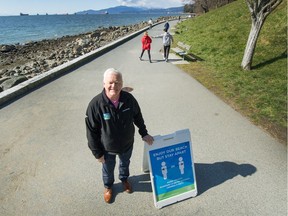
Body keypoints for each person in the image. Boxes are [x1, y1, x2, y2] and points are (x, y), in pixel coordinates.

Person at [85, 68, 154, 204]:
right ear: (103, 83)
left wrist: (144, 133)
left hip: (127, 143)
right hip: (107, 148)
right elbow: (91, 131)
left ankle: (124, 179)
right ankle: (108, 186)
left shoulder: (129, 99)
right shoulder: (95, 104)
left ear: (122, 84)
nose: (114, 86)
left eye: (117, 83)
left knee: (125, 164)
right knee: (108, 169)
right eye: (110, 82)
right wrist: (97, 153)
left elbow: (137, 116)